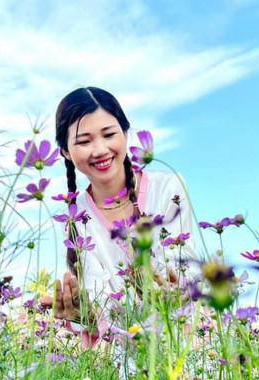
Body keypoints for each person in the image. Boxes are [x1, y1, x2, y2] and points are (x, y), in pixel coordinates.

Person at [50, 87, 198, 349]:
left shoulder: (168, 188)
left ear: (125, 134)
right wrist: (82, 316)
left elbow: (181, 270)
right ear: (64, 151)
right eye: (84, 141)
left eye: (109, 134)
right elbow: (101, 303)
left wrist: (163, 290)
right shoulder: (75, 217)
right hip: (130, 360)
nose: (100, 150)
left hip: (187, 343)